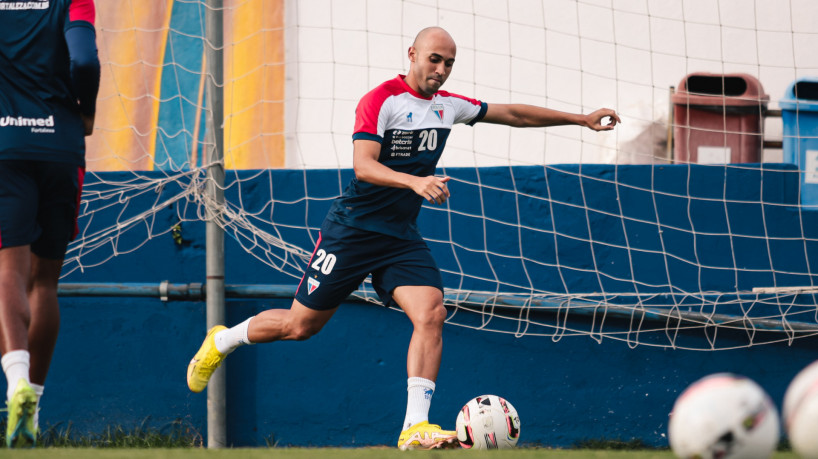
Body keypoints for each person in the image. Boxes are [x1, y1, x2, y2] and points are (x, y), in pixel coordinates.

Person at [187, 26, 619, 450]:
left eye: (449, 63)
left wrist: (580, 119)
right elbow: (364, 165)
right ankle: (222, 340)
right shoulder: (382, 100)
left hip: (399, 239)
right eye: (435, 59)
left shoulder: (449, 106)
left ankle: (415, 427)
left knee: (432, 313)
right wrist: (414, 183)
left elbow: (514, 115)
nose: (442, 69)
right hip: (352, 232)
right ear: (411, 54)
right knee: (300, 327)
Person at [0, 0, 99, 448]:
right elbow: (84, 58)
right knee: (45, 285)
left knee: (8, 274)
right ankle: (33, 407)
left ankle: (16, 380)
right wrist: (88, 111)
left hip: (7, 144)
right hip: (61, 144)